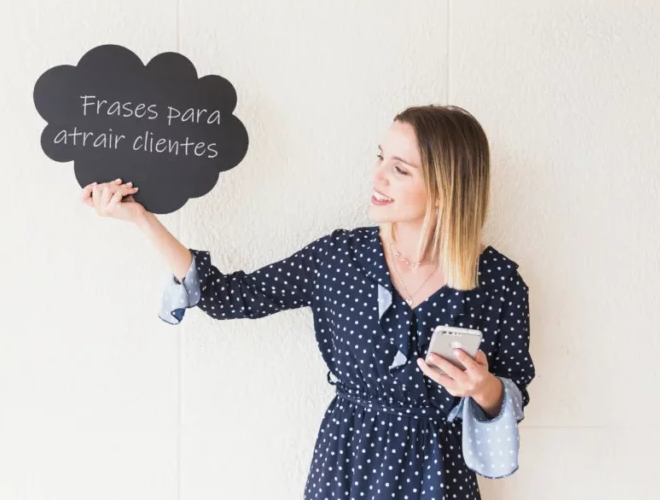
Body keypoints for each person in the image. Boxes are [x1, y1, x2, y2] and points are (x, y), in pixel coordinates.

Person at [82, 104, 536, 500]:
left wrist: (482, 388)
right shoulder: (339, 259)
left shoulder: (498, 281)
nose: (376, 176)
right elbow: (228, 297)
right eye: (381, 158)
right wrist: (142, 221)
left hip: (439, 476)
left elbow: (511, 392)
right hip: (346, 466)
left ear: (445, 187)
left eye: (400, 169)